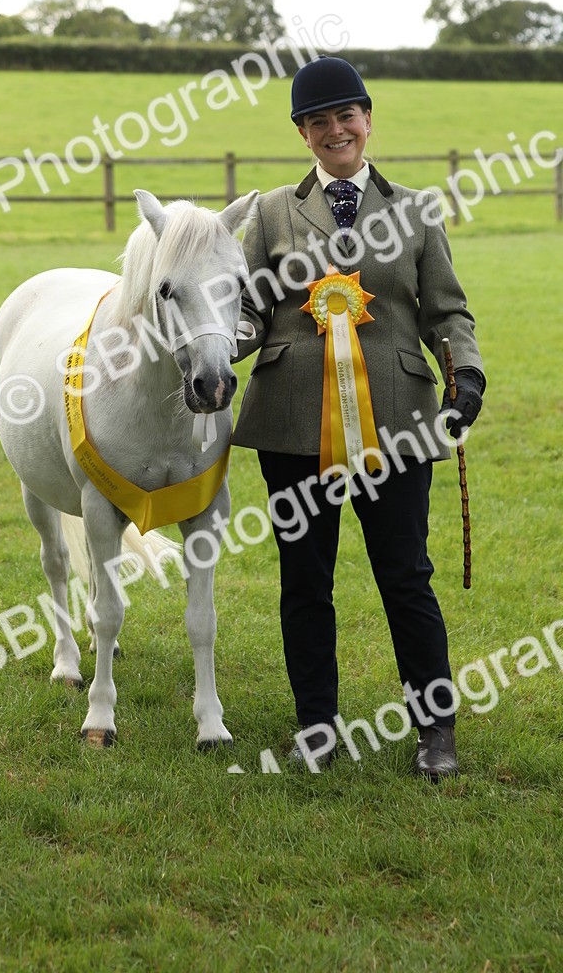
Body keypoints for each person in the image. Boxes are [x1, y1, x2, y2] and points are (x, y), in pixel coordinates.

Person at [231, 56, 485, 779]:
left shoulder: (416, 211)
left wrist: (464, 374)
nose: (334, 129)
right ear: (303, 135)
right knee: (304, 580)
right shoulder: (272, 212)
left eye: (346, 115)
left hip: (398, 420)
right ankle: (317, 725)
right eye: (318, 121)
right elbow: (249, 306)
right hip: (289, 424)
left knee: (406, 576)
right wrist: (221, 352)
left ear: (368, 120)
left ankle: (435, 729)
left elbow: (446, 309)